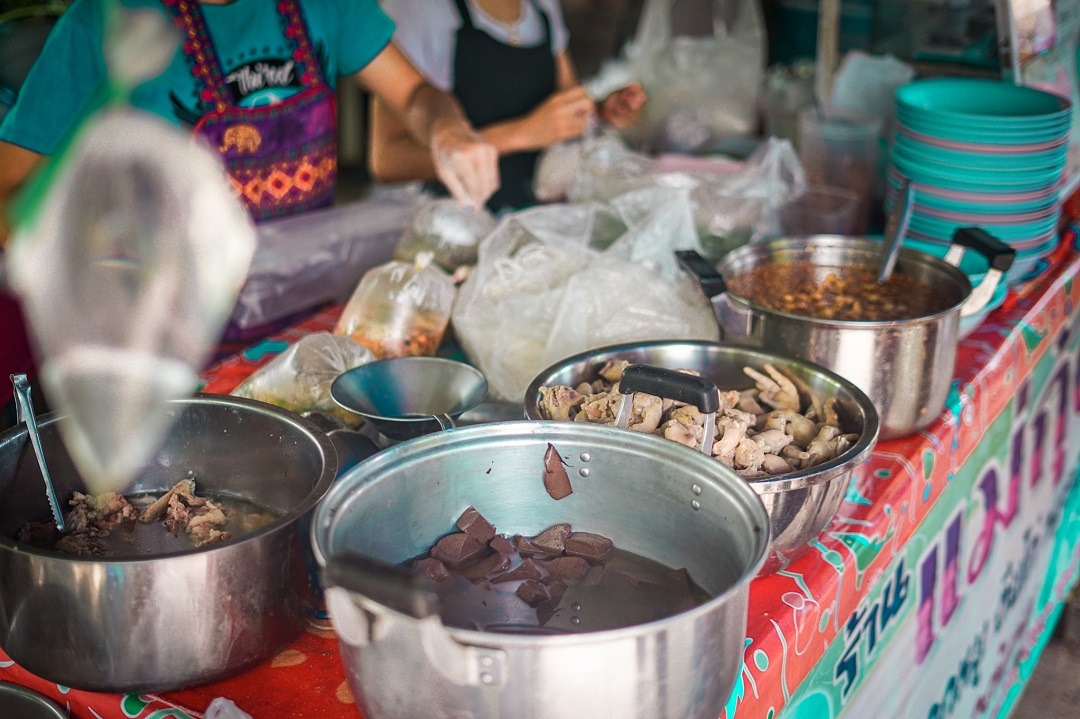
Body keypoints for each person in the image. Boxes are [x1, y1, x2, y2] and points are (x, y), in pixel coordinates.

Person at [0, 0, 499, 247]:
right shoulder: (100, 22)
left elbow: (415, 94)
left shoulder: (324, 4)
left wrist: (446, 130)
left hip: (305, 313)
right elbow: (11, 192)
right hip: (168, 336)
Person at [371, 0, 646, 212]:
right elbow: (387, 161)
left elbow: (567, 102)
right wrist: (522, 134)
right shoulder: (417, 9)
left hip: (534, 217)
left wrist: (599, 112)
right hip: (454, 223)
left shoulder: (541, 6)